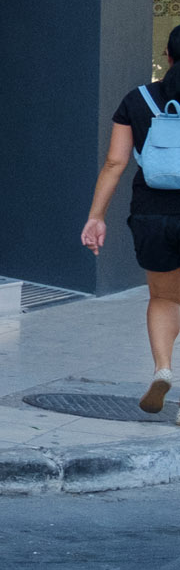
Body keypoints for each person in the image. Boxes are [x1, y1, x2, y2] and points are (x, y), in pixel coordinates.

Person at [82, 26, 180, 413]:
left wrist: (96, 217)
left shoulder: (137, 100)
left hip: (152, 216)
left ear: (168, 56)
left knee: (165, 298)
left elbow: (115, 163)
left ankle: (163, 369)